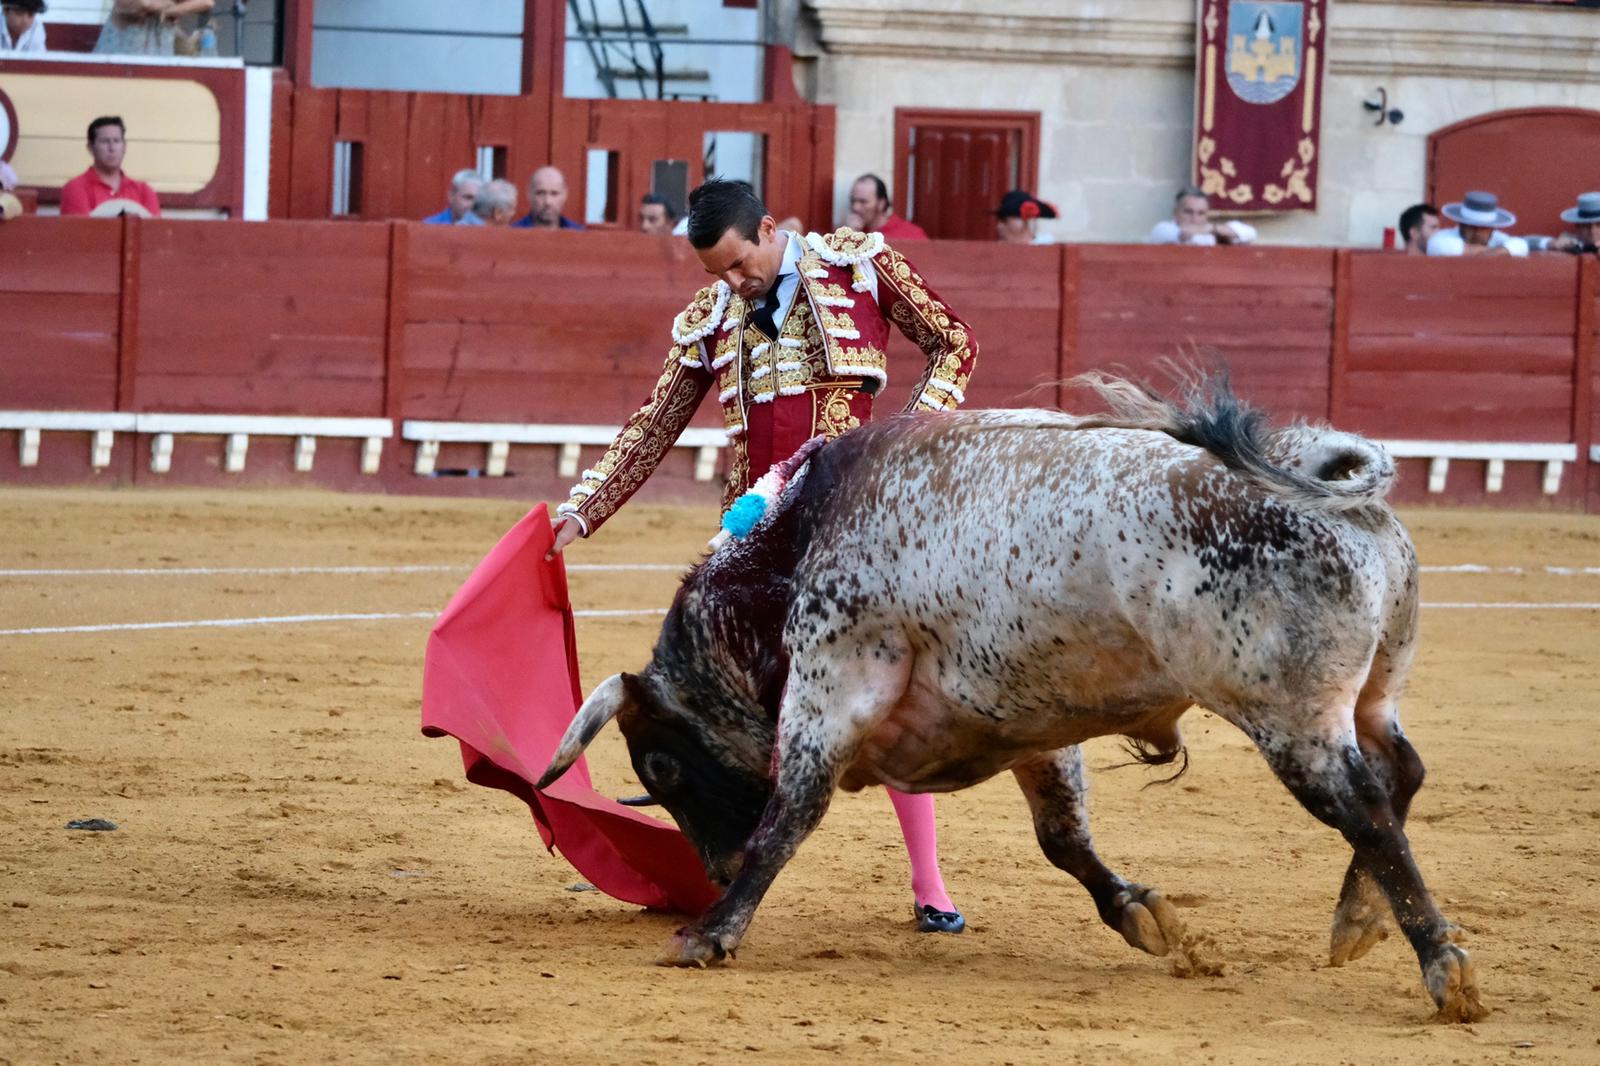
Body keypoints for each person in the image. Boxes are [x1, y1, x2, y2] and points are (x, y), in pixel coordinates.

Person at [548, 178, 980, 933]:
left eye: (740, 266)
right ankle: (713, 862)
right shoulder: (710, 316)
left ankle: (930, 883)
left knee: (886, 702)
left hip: (852, 529)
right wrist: (581, 512)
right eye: (717, 273)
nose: (732, 284)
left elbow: (954, 342)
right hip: (752, 541)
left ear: (770, 229)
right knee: (728, 709)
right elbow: (653, 427)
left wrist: (903, 444)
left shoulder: (859, 268)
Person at [59, 116, 161, 218]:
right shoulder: (75, 188)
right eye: (105, 141)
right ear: (90, 147)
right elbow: (79, 232)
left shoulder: (144, 191)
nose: (112, 148)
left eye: (116, 141)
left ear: (124, 146)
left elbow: (155, 232)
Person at [1426, 190, 1528, 257]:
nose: (1477, 232)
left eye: (1483, 228)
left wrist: (1496, 252)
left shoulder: (1498, 237)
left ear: (1492, 229)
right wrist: (1496, 252)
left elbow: (1521, 245)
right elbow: (1438, 246)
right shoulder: (1442, 238)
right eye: (1472, 227)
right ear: (1461, 225)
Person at [93, 0, 214, 56]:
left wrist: (171, 10)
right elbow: (143, 4)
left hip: (158, 64)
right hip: (117, 64)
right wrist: (171, 5)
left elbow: (206, 2)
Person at [1149, 185, 1257, 246]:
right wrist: (1215, 232)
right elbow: (1184, 235)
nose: (1195, 218)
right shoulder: (1163, 229)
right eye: (1188, 212)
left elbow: (1251, 233)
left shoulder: (1211, 230)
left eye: (1201, 213)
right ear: (1175, 212)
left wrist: (1212, 229)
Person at [846, 174, 928, 241]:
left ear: (881, 203)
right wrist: (850, 235)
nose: (855, 207)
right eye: (853, 201)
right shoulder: (852, 231)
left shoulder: (910, 234)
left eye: (863, 202)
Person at [513, 166, 584, 230]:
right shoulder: (513, 233)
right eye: (540, 193)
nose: (548, 202)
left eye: (554, 193)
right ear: (529, 194)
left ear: (565, 195)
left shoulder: (579, 234)